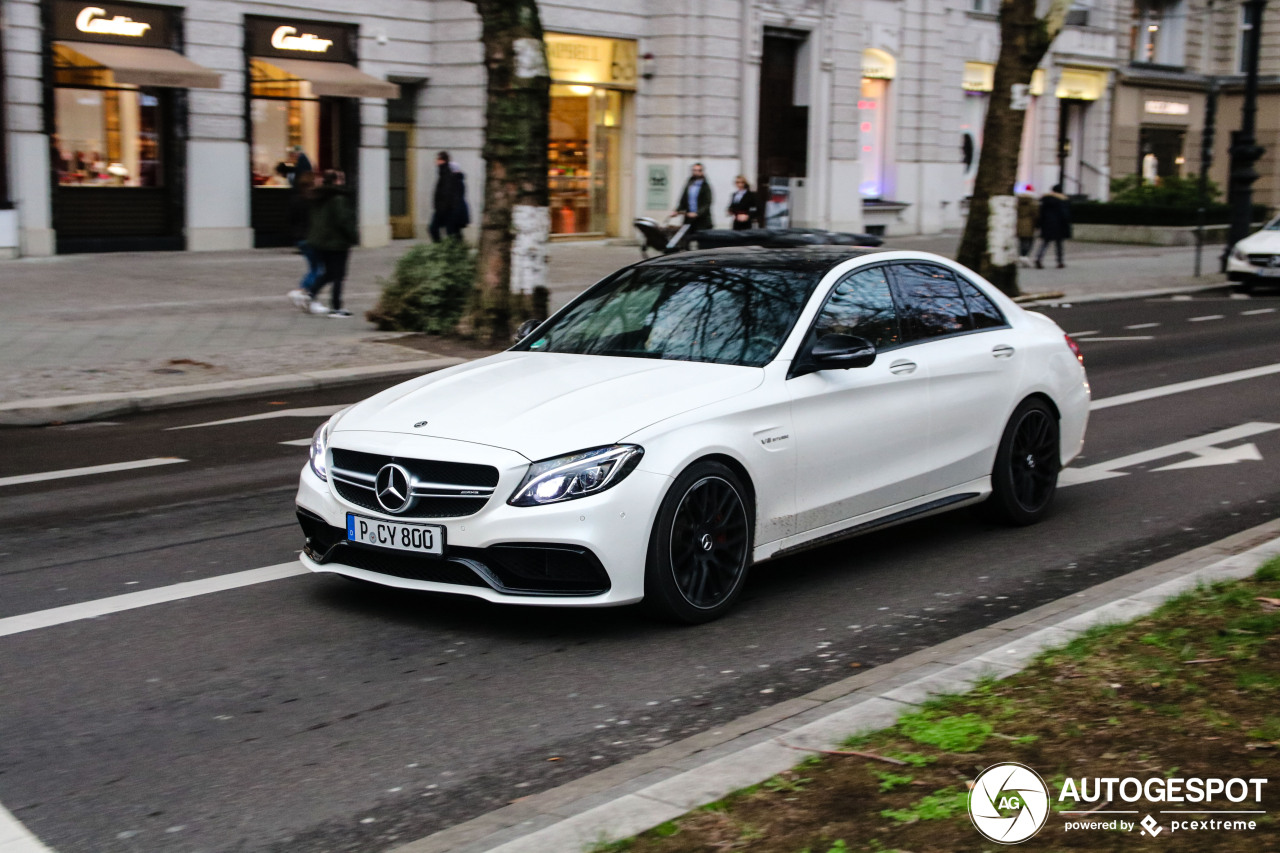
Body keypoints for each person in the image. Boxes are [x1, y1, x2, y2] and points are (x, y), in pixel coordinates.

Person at [306, 170, 359, 317]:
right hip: (337, 242)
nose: (343, 181)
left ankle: (310, 294)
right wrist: (353, 236)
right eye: (341, 178)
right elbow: (344, 220)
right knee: (338, 275)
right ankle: (336, 307)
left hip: (321, 241)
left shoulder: (319, 195)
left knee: (329, 273)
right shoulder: (339, 198)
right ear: (336, 181)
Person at [287, 171, 323, 310]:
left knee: (314, 267)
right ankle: (302, 292)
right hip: (310, 237)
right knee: (318, 269)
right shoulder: (313, 200)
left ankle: (305, 294)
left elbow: (290, 219)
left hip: (299, 238)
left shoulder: (296, 199)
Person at [430, 151, 468, 242]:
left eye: (438, 159)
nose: (436, 161)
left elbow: (446, 193)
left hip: (446, 209)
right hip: (449, 209)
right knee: (453, 232)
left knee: (439, 229)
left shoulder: (446, 174)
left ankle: (442, 249)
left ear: (442, 160)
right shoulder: (445, 174)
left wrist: (441, 209)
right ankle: (454, 250)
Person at [1035, 184, 1072, 269]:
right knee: (1059, 245)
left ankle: (1039, 258)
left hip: (1047, 224)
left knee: (1045, 243)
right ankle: (1060, 261)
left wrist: (1039, 224)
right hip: (1059, 225)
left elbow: (1041, 213)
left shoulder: (1046, 199)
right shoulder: (1063, 201)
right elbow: (1065, 215)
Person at [674, 162, 713, 232]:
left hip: (702, 220)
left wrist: (697, 213)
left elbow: (707, 203)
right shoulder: (689, 184)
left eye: (698, 170)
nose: (696, 172)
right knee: (686, 238)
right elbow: (683, 200)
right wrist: (677, 210)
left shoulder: (705, 186)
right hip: (689, 218)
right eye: (694, 170)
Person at [1016, 189, 1039, 268]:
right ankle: (1025, 256)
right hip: (1029, 224)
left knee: (1021, 241)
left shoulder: (1017, 204)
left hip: (1019, 224)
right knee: (1029, 241)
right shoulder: (1033, 204)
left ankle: (1022, 255)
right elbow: (1036, 215)